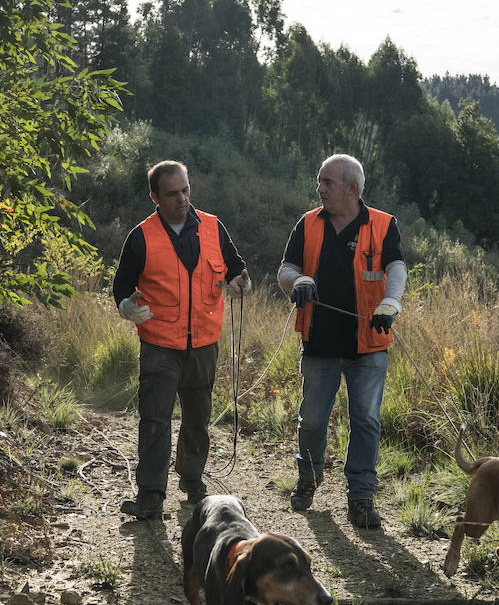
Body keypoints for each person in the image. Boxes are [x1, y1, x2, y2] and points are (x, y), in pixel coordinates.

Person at [112, 160, 250, 520]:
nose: (182, 199)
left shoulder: (213, 227)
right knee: (155, 419)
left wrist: (239, 284)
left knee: (197, 417)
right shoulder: (141, 236)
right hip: (159, 344)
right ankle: (151, 496)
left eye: (186, 190)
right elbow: (121, 286)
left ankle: (192, 480)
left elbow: (236, 269)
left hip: (204, 343)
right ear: (154, 196)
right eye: (172, 193)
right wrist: (128, 306)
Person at [277, 154, 406, 529]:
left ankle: (361, 499)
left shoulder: (383, 224)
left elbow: (396, 266)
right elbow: (286, 268)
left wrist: (390, 302)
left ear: (352, 189)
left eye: (326, 183)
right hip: (319, 342)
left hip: (369, 343)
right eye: (319, 182)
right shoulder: (307, 223)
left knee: (365, 420)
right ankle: (308, 479)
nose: (319, 189)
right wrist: (297, 281)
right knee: (313, 420)